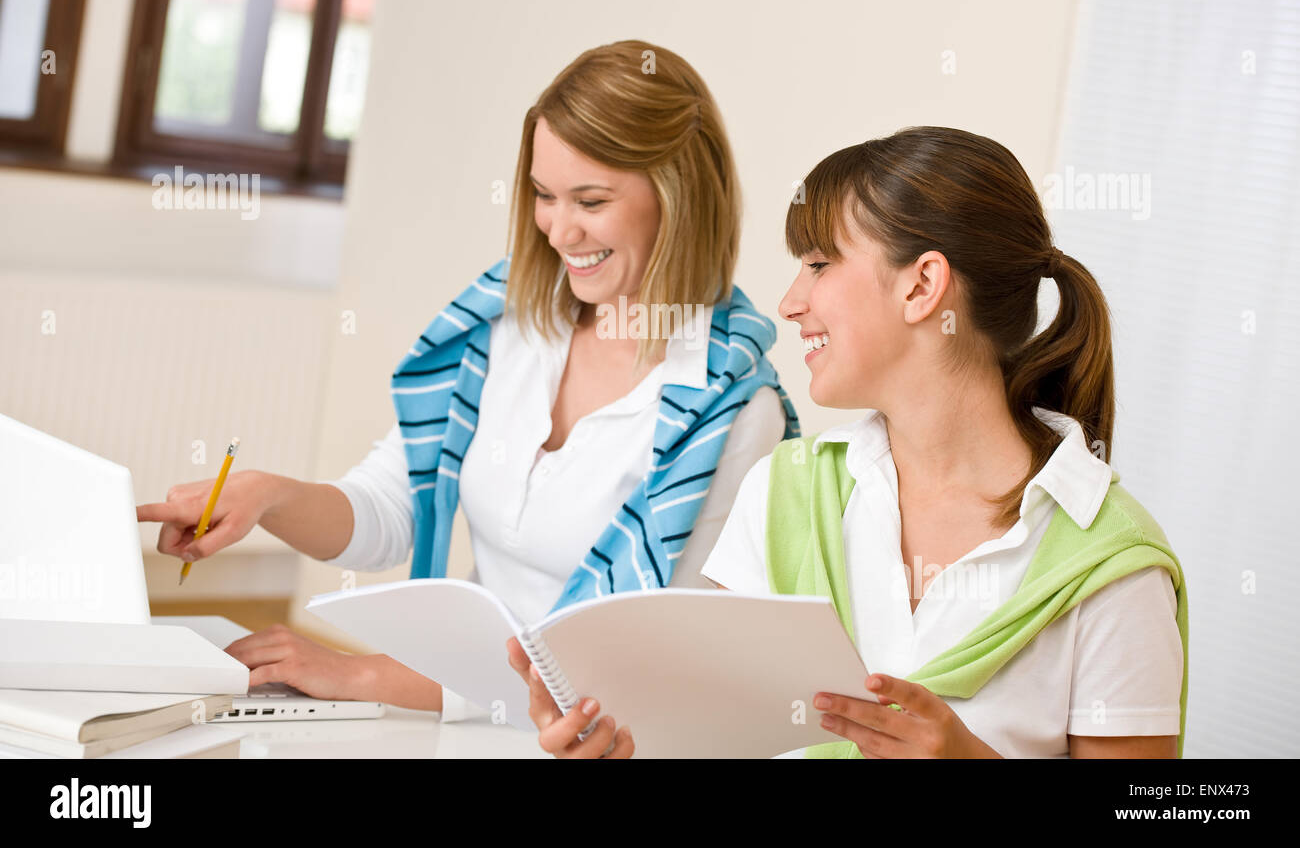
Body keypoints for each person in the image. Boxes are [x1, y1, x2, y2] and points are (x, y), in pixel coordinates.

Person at [137, 40, 799, 717]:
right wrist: (266, 498)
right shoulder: (506, 324)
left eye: (591, 200)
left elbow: (644, 671)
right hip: (457, 710)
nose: (559, 231)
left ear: (679, 199)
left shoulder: (735, 413)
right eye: (544, 196)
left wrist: (369, 677)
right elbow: (394, 509)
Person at [509, 126, 1187, 758]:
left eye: (818, 263)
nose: (790, 302)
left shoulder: (1111, 569)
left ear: (922, 285)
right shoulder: (785, 491)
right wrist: (615, 744)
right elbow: (700, 740)